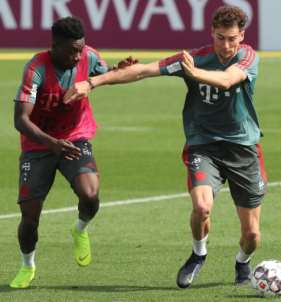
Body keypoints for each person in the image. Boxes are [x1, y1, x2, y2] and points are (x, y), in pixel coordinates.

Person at [64, 5, 267, 288]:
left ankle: (242, 262)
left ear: (242, 36)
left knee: (252, 235)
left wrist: (194, 74)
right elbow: (143, 71)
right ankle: (198, 254)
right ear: (212, 33)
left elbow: (227, 79)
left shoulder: (247, 57)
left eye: (232, 38)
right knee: (202, 206)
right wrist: (92, 81)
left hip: (243, 148)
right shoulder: (195, 58)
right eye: (220, 37)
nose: (226, 44)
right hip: (204, 145)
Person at [10, 16, 136, 289]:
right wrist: (51, 143)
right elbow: (21, 120)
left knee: (90, 196)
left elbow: (103, 75)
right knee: (30, 218)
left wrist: (117, 70)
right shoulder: (36, 69)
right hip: (38, 145)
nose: (78, 56)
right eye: (72, 51)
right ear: (55, 46)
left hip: (75, 136)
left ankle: (79, 229)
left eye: (81, 49)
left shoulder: (88, 56)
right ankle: (27, 265)